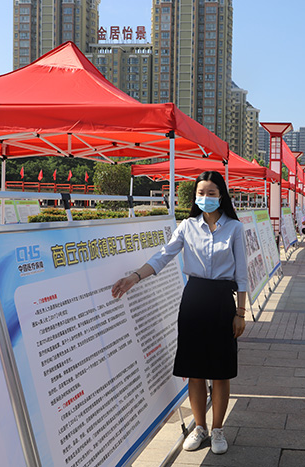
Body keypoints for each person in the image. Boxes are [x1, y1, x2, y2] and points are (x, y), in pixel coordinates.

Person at [111, 171, 248, 455]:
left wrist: (240, 312)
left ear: (221, 195)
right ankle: (200, 428)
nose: (205, 198)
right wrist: (134, 277)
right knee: (195, 372)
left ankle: (218, 429)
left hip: (223, 301)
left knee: (221, 373)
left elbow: (243, 274)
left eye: (211, 193)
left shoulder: (235, 228)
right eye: (201, 193)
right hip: (194, 300)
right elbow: (163, 255)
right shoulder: (187, 226)